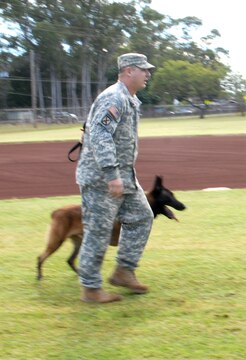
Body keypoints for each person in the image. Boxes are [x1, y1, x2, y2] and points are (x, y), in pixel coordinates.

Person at [75, 53, 156, 303]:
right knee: (98, 231)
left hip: (125, 176)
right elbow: (100, 134)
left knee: (142, 216)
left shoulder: (131, 99)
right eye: (144, 70)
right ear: (129, 71)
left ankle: (124, 270)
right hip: (102, 178)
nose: (148, 74)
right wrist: (111, 173)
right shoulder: (114, 96)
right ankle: (91, 289)